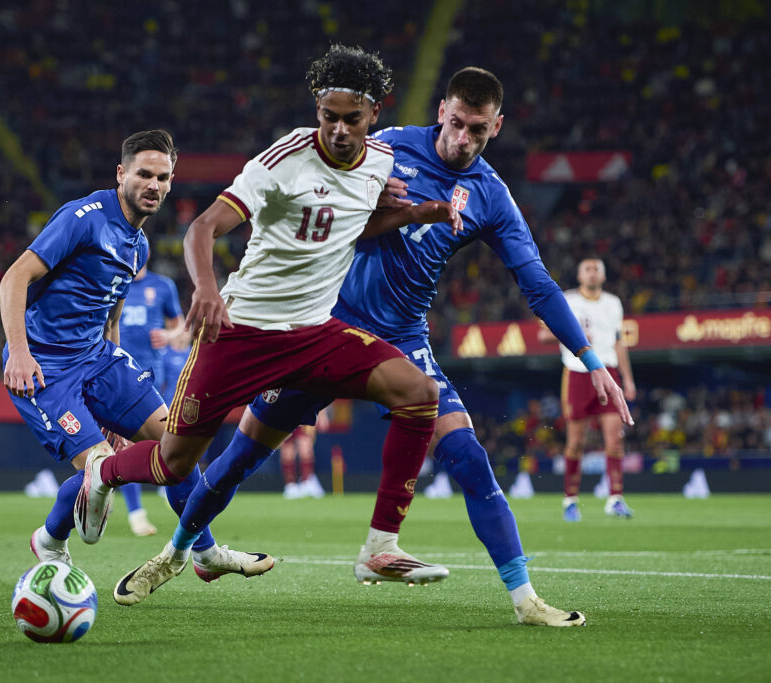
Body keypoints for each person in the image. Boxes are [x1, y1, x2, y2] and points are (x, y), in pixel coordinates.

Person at [144, 67, 635, 626]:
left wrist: (592, 360)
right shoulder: (388, 148)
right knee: (242, 457)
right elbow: (318, 199)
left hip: (401, 338)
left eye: (477, 130)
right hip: (321, 329)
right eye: (455, 124)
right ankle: (180, 551)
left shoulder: (492, 198)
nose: (462, 139)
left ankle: (525, 600)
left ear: (496, 126)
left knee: (469, 457)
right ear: (442, 111)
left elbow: (538, 283)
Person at [100, 44, 463, 606]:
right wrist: (207, 290)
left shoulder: (381, 163)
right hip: (240, 333)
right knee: (175, 463)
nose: (339, 130)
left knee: (420, 393)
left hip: (315, 335)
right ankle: (104, 479)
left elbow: (348, 230)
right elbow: (201, 229)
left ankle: (379, 547)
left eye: (351, 119)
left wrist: (415, 214)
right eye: (328, 117)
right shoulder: (284, 157)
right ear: (316, 110)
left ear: (373, 114)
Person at [0, 129, 257, 575]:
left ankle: (204, 551)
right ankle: (51, 540)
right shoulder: (83, 217)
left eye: (162, 177)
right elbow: (14, 278)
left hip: (99, 357)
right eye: (143, 174)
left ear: (172, 181)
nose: (153, 185)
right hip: (47, 367)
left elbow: (112, 316)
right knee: (100, 465)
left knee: (178, 447)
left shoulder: (139, 246)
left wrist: (113, 399)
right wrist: (19, 354)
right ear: (121, 174)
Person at [539, 257, 637, 521]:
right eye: (588, 269)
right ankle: (570, 500)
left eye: (597, 270)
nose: (592, 274)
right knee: (576, 443)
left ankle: (615, 498)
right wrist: (576, 337)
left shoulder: (613, 303)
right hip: (578, 373)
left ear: (603, 276)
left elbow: (619, 344)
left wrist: (627, 379)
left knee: (615, 440)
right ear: (580, 275)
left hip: (609, 372)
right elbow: (544, 334)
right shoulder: (568, 300)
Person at [115, 264, 187, 536]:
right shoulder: (114, 281)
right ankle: (136, 514)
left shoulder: (163, 286)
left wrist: (169, 336)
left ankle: (181, 501)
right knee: (123, 445)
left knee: (168, 443)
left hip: (152, 378)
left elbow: (178, 327)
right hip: (117, 376)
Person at [281, 408, 329, 499]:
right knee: (300, 444)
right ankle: (300, 483)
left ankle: (296, 484)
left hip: (287, 410)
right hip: (300, 408)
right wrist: (323, 414)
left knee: (293, 445)